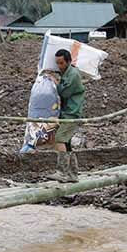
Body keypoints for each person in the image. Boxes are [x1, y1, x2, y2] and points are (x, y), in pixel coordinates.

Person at [48, 49, 85, 182]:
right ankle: (73, 174)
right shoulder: (66, 73)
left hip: (72, 112)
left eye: (61, 63)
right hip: (67, 112)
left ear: (68, 61)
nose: (59, 66)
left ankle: (62, 172)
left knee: (60, 139)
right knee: (67, 143)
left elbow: (64, 93)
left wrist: (55, 81)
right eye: (57, 63)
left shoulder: (73, 74)